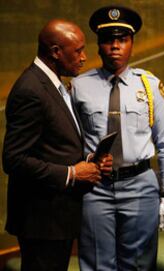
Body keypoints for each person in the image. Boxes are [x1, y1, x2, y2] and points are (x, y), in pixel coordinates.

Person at [71, 5, 164, 270]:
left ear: (131, 44)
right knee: (97, 263)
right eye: (108, 40)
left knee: (139, 264)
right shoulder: (78, 87)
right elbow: (70, 140)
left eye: (122, 39)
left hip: (140, 185)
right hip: (95, 187)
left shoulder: (150, 86)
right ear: (98, 45)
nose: (115, 46)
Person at [2, 19, 111, 271]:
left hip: (57, 217)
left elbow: (54, 144)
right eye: (78, 51)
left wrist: (91, 161)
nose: (84, 57)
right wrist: (72, 173)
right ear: (55, 52)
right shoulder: (31, 89)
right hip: (41, 220)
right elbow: (13, 159)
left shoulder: (52, 83)